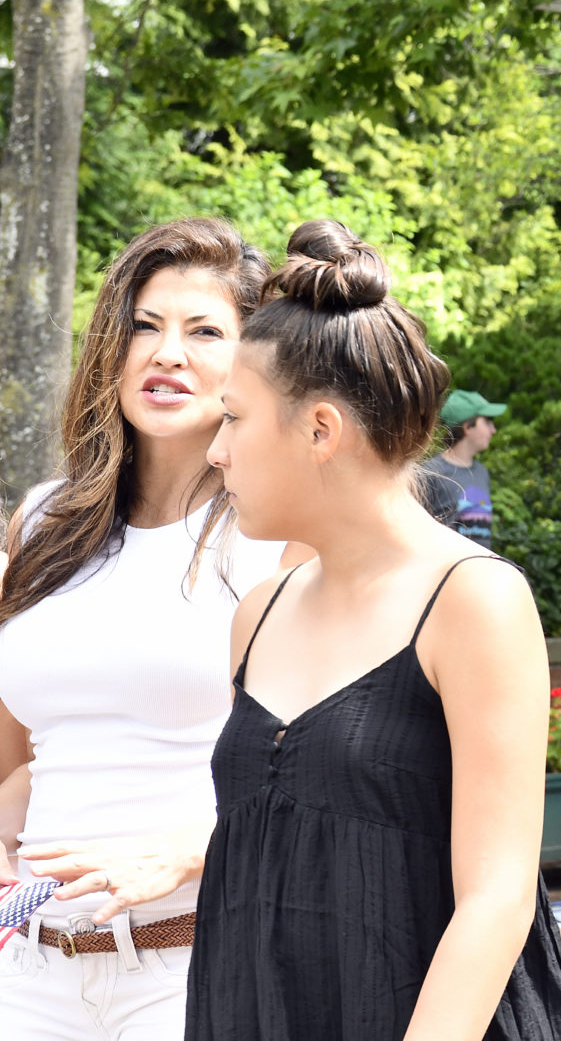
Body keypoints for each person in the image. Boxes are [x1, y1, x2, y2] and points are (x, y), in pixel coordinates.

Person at [188, 219, 561, 1040]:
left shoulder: (473, 598)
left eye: (233, 418)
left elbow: (498, 895)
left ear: (320, 429)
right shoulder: (257, 617)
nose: (216, 450)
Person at [0, 220, 301, 1040]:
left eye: (204, 331)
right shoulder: (40, 523)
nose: (167, 351)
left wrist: (188, 847)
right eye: (144, 324)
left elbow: (313, 773)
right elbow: (19, 757)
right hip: (28, 967)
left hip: (191, 959)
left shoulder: (278, 536)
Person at [418, 389, 506, 543]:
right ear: (468, 427)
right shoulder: (430, 472)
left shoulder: (482, 472)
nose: (493, 430)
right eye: (487, 422)